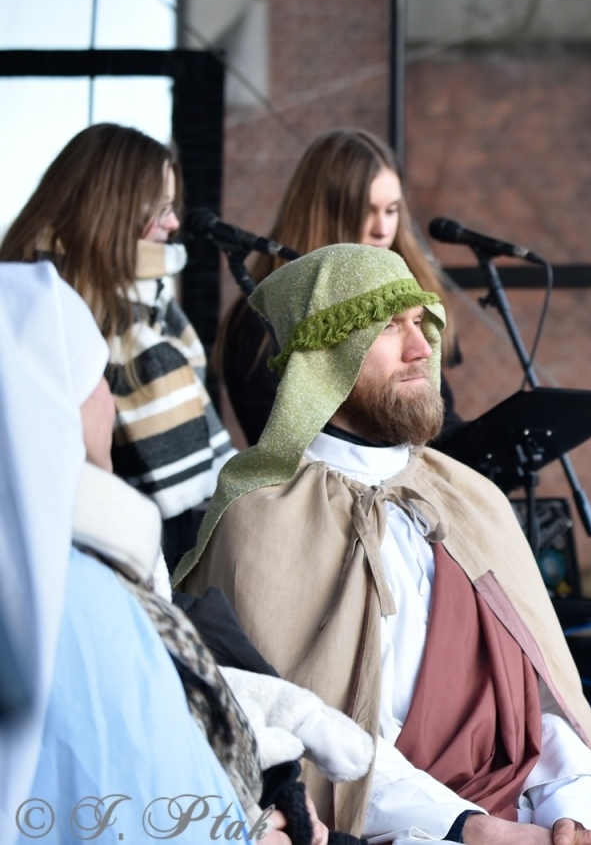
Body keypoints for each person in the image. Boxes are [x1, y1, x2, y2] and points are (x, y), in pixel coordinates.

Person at [176, 244, 591, 845]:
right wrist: (477, 828)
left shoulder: (469, 496)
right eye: (391, 328)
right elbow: (313, 746)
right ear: (327, 354)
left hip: (536, 806)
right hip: (400, 828)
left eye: (422, 322)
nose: (424, 349)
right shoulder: (263, 519)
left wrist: (572, 814)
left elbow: (542, 706)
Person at [0, 262, 339, 845]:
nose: (111, 404)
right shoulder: (79, 594)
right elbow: (147, 794)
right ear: (49, 400)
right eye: (98, 379)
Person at [0, 124, 235, 566]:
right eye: (160, 208)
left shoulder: (151, 307)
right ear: (112, 208)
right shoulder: (45, 313)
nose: (174, 223)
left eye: (173, 207)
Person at [217, 127, 460, 444]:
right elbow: (284, 446)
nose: (383, 229)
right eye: (365, 211)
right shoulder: (260, 324)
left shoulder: (411, 290)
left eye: (392, 210)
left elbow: (442, 424)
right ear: (323, 212)